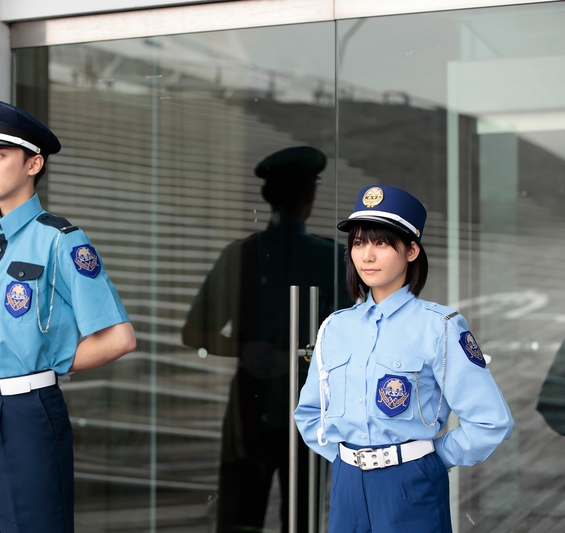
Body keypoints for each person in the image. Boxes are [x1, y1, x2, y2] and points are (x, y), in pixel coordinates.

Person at [0, 100, 136, 533]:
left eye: (0, 155)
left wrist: (42, 359)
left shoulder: (61, 241)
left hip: (26, 413)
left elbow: (119, 339)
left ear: (33, 163)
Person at [294, 185, 514, 533]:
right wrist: (344, 459)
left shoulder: (439, 327)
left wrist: (430, 459)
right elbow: (308, 413)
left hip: (409, 484)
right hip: (347, 483)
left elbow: (490, 421)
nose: (366, 256)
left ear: (411, 250)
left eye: (381, 243)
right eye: (359, 243)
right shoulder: (336, 327)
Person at [182, 146, 350, 533]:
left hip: (250, 406)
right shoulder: (332, 258)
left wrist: (245, 350)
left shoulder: (240, 255)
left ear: (266, 196)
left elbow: (193, 333)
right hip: (310, 404)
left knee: (240, 521)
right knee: (303, 518)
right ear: (311, 197)